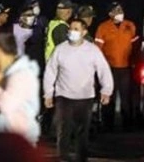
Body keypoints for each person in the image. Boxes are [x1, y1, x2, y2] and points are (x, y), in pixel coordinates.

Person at [43, 19, 114, 162]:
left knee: (82, 131)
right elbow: (50, 71)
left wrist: (106, 90)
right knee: (63, 130)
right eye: (70, 28)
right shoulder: (60, 49)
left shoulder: (92, 50)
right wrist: (48, 94)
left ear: (84, 32)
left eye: (76, 29)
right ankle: (63, 157)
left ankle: (81, 158)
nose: (72, 31)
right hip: (64, 96)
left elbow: (103, 70)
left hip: (85, 97)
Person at [0, 33, 41, 145]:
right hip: (2, 136)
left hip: (20, 140)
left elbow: (6, 106)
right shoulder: (7, 74)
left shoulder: (21, 75)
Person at [94, 2, 138, 131]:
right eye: (116, 10)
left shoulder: (130, 25)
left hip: (126, 68)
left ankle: (128, 124)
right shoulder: (103, 27)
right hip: (109, 68)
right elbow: (97, 48)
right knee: (109, 96)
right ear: (110, 14)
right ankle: (107, 125)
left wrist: (135, 62)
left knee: (126, 97)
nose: (120, 12)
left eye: (121, 9)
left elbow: (135, 46)